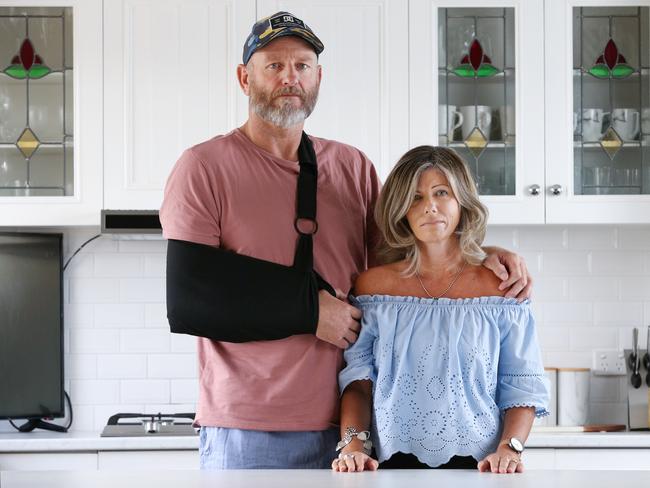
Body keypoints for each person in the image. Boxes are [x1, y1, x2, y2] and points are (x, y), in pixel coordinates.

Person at [160, 11, 532, 470]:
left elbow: (405, 262)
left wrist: (483, 255)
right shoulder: (204, 167)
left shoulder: (352, 167)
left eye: (302, 65)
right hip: (248, 426)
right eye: (273, 65)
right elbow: (189, 298)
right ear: (244, 77)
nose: (289, 77)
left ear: (319, 77)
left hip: (352, 434)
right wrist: (311, 310)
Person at [333, 146, 550, 474]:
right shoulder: (372, 288)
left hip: (485, 469)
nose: (430, 207)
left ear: (462, 201)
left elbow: (521, 383)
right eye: (415, 197)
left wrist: (511, 448)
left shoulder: (502, 288)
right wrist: (352, 445)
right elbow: (358, 384)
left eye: (441, 193)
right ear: (401, 210)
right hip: (385, 470)